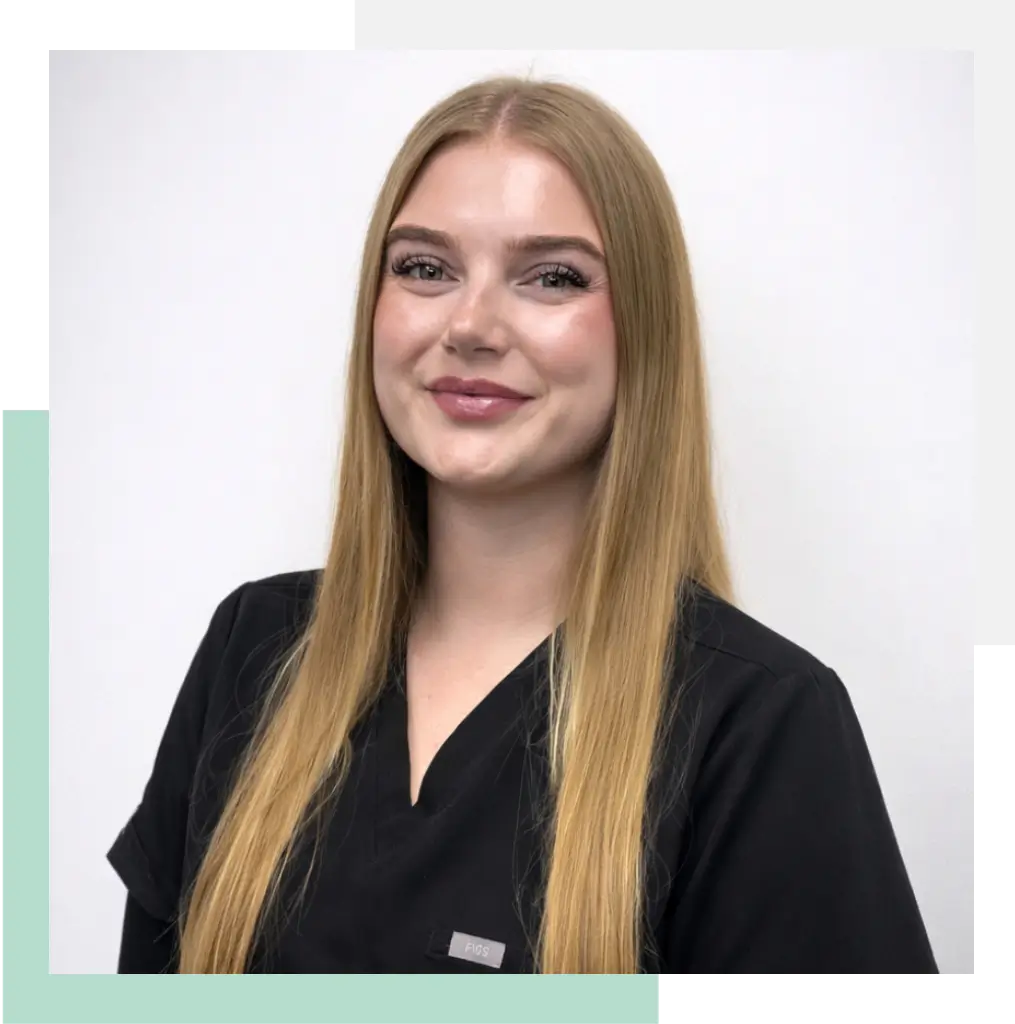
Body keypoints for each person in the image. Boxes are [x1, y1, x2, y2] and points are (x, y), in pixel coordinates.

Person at [107, 75, 939, 975]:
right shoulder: (255, 650)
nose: (470, 324)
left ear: (643, 329)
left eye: (552, 278)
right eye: (424, 268)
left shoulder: (760, 723)